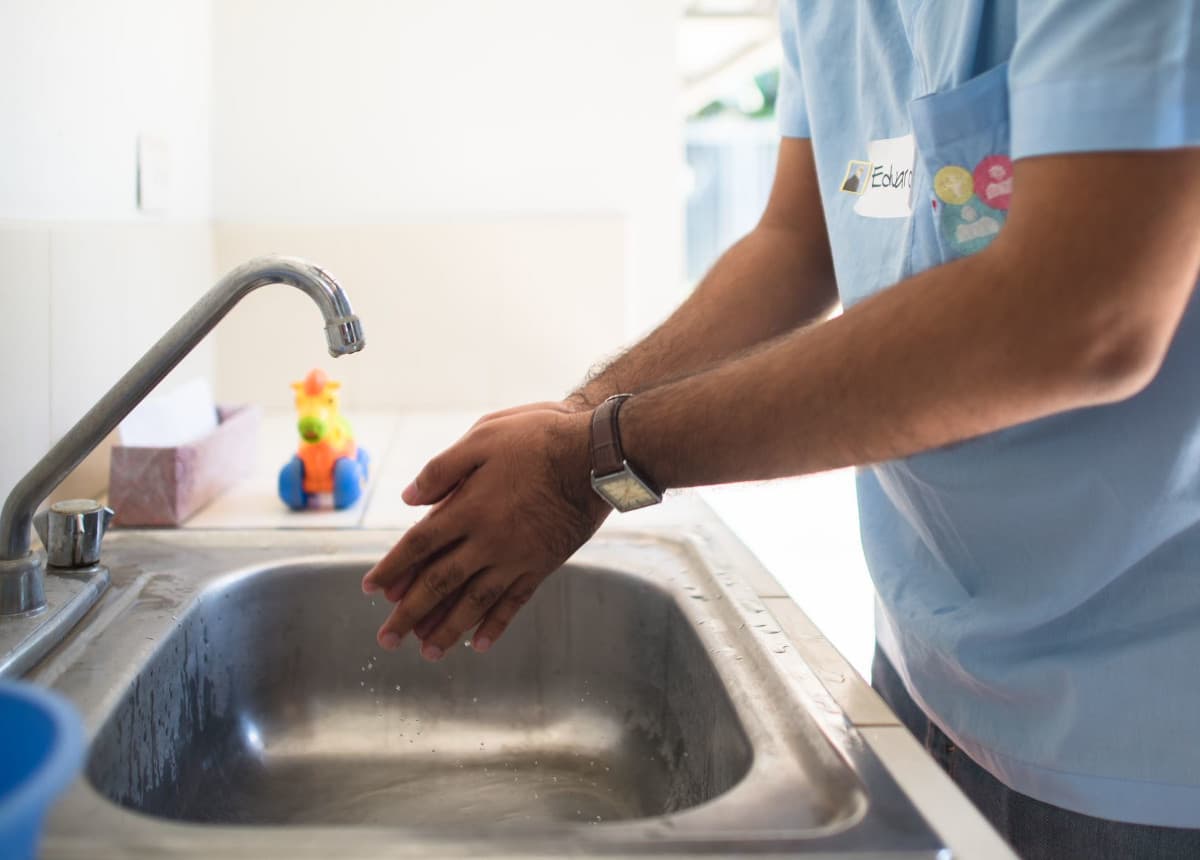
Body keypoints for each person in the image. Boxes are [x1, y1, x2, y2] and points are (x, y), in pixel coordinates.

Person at [361, 2, 1200, 857]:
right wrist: (579, 426)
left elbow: (1084, 312)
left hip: (1139, 728)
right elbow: (798, 244)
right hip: (925, 669)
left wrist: (598, 456)